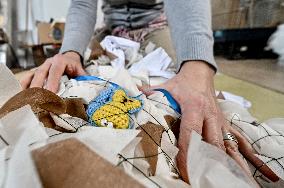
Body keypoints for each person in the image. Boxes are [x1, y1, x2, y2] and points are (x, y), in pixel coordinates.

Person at [21, 0, 237, 183]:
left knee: (184, 97)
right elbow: (82, 3)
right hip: (111, 30)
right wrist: (70, 52)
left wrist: (196, 65)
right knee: (73, 80)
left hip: (158, 27)